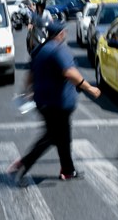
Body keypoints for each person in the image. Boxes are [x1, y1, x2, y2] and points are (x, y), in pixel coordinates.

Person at [9, 21, 101, 183]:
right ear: (60, 34)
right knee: (52, 137)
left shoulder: (39, 49)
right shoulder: (59, 50)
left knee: (63, 137)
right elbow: (70, 72)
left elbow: (30, 75)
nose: (65, 34)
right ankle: (24, 163)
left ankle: (67, 169)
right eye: (64, 32)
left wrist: (27, 91)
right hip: (58, 104)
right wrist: (89, 88)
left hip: (43, 102)